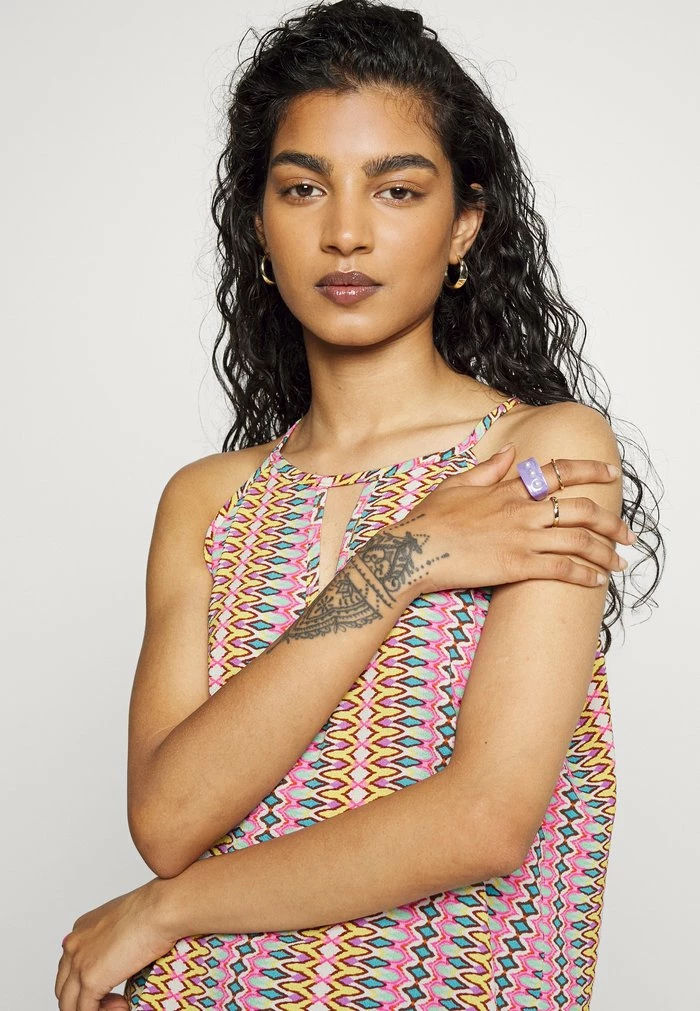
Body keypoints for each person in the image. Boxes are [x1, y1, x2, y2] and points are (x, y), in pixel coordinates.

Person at [54, 1, 664, 1009]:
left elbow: (485, 820)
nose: (345, 233)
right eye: (303, 188)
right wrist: (401, 558)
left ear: (464, 223)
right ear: (258, 224)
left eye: (397, 189)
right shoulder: (208, 502)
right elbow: (168, 819)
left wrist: (164, 911)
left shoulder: (535, 456)